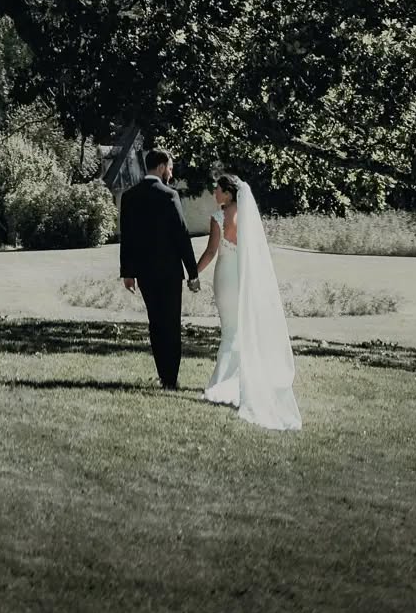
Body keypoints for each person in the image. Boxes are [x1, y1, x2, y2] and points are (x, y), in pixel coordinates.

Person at [196, 171, 302, 432]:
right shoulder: (248, 219)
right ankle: (238, 380)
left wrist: (193, 273)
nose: (214, 193)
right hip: (242, 279)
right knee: (238, 331)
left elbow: (211, 251)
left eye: (218, 189)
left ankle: (220, 383)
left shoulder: (219, 218)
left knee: (229, 331)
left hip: (225, 278)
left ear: (228, 193)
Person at [118, 147, 200, 390]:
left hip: (144, 271)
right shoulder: (169, 196)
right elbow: (182, 235)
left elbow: (127, 237)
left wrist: (128, 273)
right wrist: (192, 272)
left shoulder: (130, 196)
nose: (171, 173)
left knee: (155, 322)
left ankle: (163, 374)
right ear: (162, 167)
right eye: (171, 168)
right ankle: (170, 378)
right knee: (171, 323)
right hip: (169, 271)